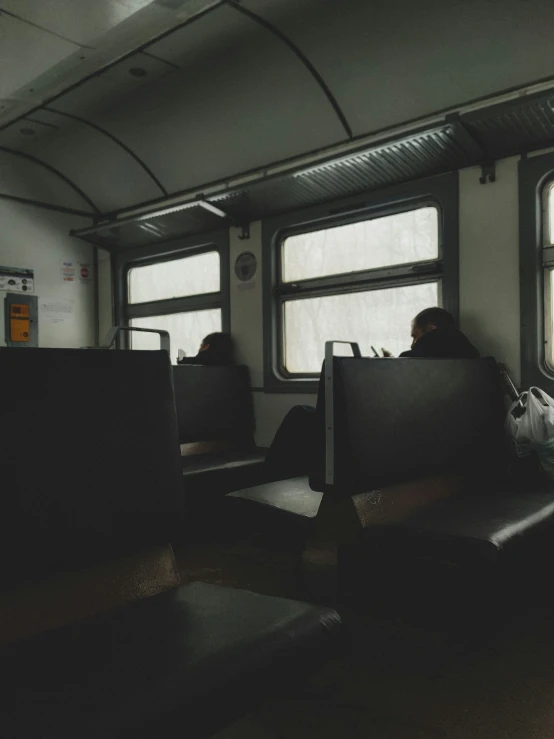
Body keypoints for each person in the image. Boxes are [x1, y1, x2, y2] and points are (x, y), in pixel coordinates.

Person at [384, 307, 480, 359]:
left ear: (431, 329)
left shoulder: (410, 359)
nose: (412, 345)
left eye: (415, 337)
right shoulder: (474, 357)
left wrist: (390, 365)